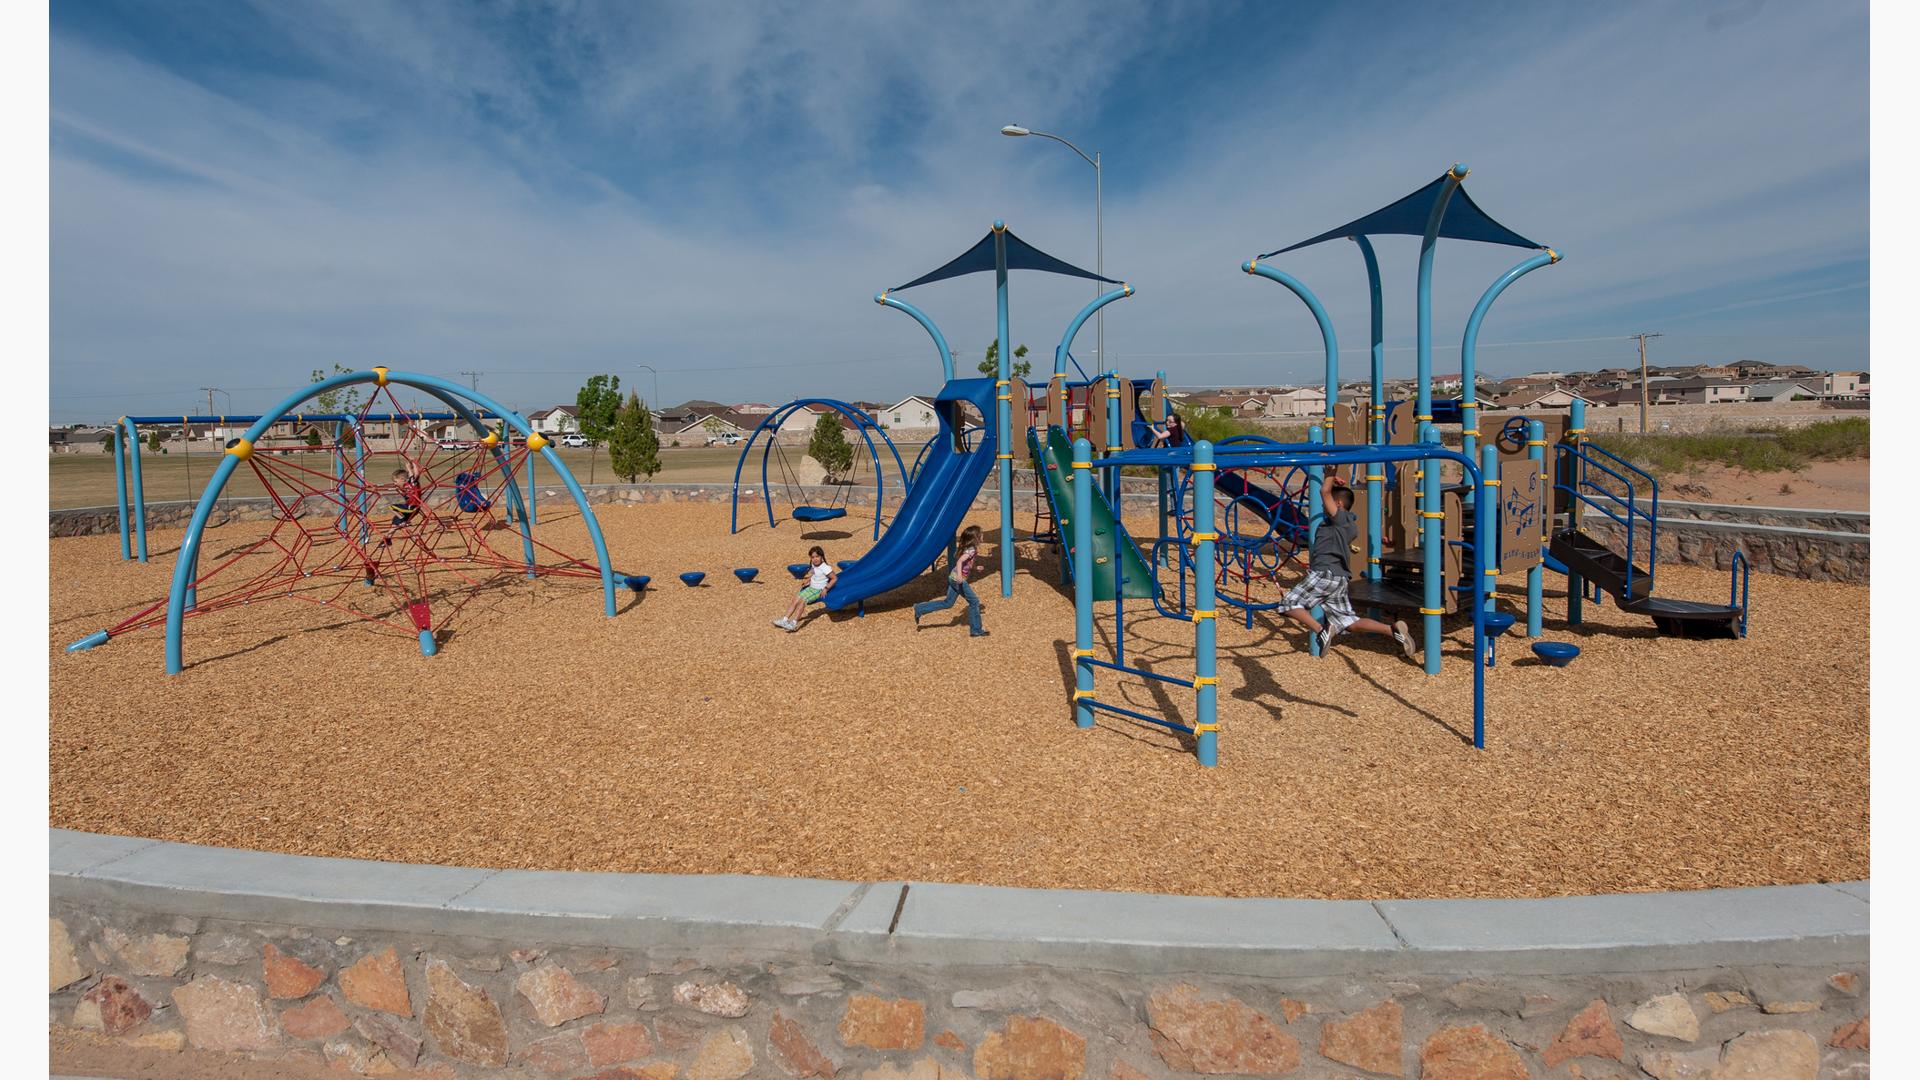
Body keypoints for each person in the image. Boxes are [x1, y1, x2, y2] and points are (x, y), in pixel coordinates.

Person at [1279, 472, 1419, 661]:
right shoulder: (1349, 524)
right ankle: (1392, 629)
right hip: (1339, 579)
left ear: (1339, 504)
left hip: (1325, 573)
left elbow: (1324, 491)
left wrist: (1329, 472)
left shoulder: (1340, 518)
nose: (1323, 506)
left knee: (1289, 604)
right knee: (1349, 623)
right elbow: (1329, 497)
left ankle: (1322, 630)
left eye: (1328, 504)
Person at [913, 525, 987, 637]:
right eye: (981, 534)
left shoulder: (971, 549)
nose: (983, 536)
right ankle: (976, 630)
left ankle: (919, 608)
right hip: (957, 579)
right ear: (976, 537)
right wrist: (959, 576)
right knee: (974, 602)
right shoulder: (971, 550)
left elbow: (967, 563)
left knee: (948, 603)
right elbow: (960, 561)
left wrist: (976, 568)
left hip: (952, 577)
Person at [775, 545, 835, 632]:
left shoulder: (825, 568)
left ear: (822, 556)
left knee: (802, 601)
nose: (815, 559)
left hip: (818, 590)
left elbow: (834, 578)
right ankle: (784, 620)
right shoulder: (814, 565)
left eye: (817, 556)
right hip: (811, 588)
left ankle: (794, 623)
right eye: (812, 557)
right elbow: (814, 575)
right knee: (795, 599)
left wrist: (826, 588)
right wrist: (808, 580)